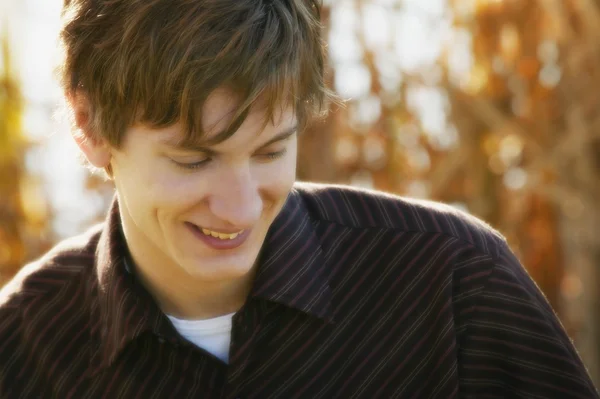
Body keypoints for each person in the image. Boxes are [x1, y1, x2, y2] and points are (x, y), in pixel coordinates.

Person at [0, 0, 598, 397]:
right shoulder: (23, 349)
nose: (238, 209)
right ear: (88, 123)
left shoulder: (454, 283)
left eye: (268, 152)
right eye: (193, 160)